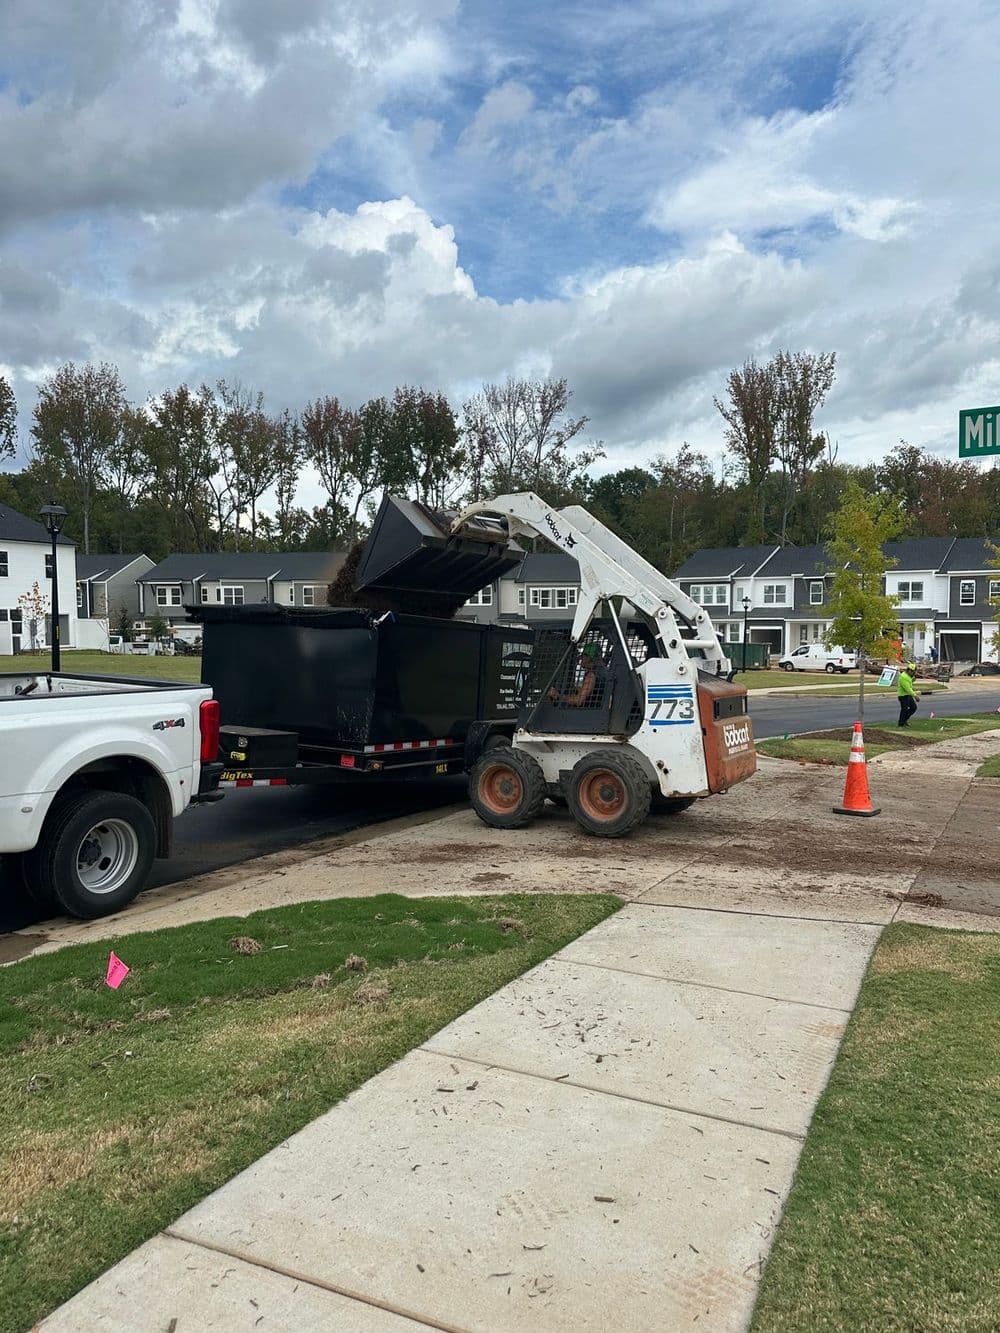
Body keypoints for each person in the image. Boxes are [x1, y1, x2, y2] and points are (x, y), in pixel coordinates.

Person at [548, 641, 608, 708]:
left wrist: (557, 695)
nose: (581, 659)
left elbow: (578, 701)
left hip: (588, 714)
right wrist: (575, 688)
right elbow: (593, 692)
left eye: (583, 656)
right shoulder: (605, 672)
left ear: (589, 658)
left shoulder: (591, 676)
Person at [897, 660, 918, 727]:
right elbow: (908, 689)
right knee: (904, 709)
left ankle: (904, 720)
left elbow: (909, 683)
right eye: (912, 672)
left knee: (913, 707)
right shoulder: (903, 677)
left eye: (914, 672)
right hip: (903, 696)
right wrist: (915, 696)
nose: (913, 673)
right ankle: (901, 723)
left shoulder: (908, 676)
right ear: (909, 670)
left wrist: (913, 680)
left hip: (907, 695)